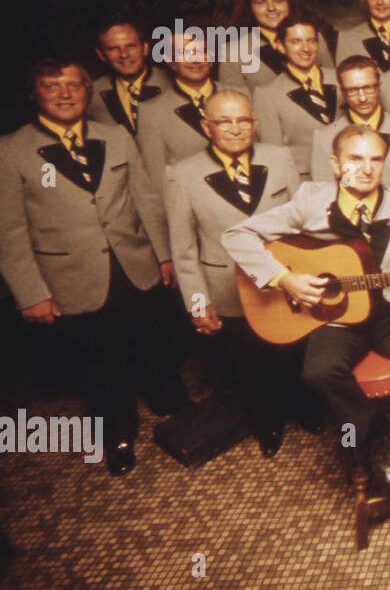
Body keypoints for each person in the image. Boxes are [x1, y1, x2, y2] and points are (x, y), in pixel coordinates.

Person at [222, 124, 390, 532]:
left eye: (375, 159)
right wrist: (285, 279)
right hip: (337, 317)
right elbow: (237, 234)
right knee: (316, 371)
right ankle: (374, 434)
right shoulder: (308, 202)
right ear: (336, 165)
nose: (366, 169)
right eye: (355, 159)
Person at [0, 60, 188, 475]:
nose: (65, 94)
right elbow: (9, 232)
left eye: (74, 86)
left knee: (154, 340)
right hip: (71, 277)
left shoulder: (115, 135)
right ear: (35, 94)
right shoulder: (10, 150)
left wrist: (164, 255)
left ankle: (173, 405)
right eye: (53, 86)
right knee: (102, 362)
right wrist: (31, 292)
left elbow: (146, 199)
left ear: (87, 91)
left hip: (134, 264)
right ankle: (118, 434)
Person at [163, 89, 304, 457]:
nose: (235, 128)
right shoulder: (181, 175)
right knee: (250, 363)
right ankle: (266, 422)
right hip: (227, 288)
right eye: (224, 121)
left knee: (292, 351)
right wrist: (198, 303)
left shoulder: (280, 157)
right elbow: (184, 249)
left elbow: (301, 222)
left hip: (284, 279)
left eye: (243, 120)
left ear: (254, 124)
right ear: (207, 127)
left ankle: (301, 408)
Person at [137, 30, 232, 188]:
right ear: (169, 60)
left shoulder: (241, 94)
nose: (195, 59)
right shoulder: (152, 112)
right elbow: (158, 177)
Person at [252, 13, 339, 183]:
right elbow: (274, 154)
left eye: (311, 41)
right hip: (305, 182)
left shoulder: (340, 79)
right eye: (296, 42)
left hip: (352, 174)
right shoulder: (267, 94)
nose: (305, 49)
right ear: (280, 46)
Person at [310, 56, 390, 189]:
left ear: (379, 86)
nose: (362, 98)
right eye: (353, 90)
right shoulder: (324, 138)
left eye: (368, 87)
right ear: (343, 92)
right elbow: (322, 196)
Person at [222, 0, 336, 89]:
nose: (271, 7)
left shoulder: (315, 38)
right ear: (251, 8)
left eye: (278, 0)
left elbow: (333, 87)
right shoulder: (233, 51)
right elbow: (231, 102)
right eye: (261, 2)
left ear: (288, 3)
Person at [87, 18, 167, 134]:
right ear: (101, 54)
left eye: (131, 46)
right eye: (113, 48)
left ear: (145, 48)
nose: (124, 54)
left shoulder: (172, 83)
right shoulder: (90, 94)